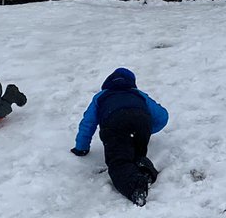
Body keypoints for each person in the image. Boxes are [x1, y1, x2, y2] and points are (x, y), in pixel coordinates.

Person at [70, 67, 169, 207]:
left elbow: (88, 124)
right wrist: (148, 130)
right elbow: (162, 116)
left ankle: (136, 188)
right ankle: (142, 167)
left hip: (114, 123)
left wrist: (81, 148)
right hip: (141, 122)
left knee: (118, 161)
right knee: (135, 154)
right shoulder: (138, 94)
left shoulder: (101, 97)